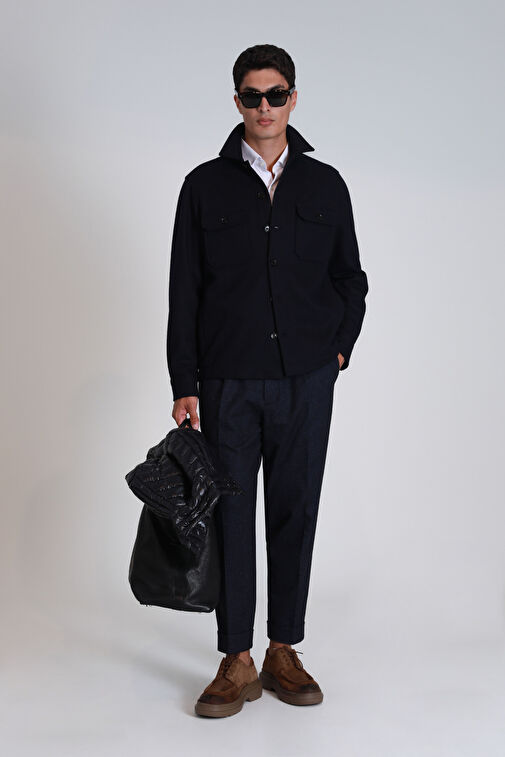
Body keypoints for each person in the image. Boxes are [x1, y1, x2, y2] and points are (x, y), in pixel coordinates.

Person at [166, 43, 368, 718]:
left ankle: (283, 648)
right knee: (230, 517)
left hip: (305, 380)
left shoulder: (325, 184)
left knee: (295, 509)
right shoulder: (203, 186)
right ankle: (236, 658)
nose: (264, 107)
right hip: (227, 381)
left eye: (275, 94)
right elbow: (185, 290)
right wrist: (185, 381)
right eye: (251, 96)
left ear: (292, 99)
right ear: (236, 103)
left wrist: (337, 353)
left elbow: (350, 278)